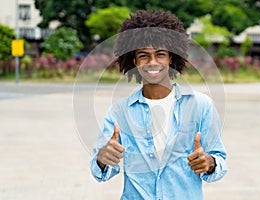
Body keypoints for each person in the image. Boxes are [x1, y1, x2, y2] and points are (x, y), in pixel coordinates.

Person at [90, 10, 227, 199]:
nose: (152, 62)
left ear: (171, 58)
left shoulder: (201, 105)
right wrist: (102, 159)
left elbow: (219, 161)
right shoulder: (119, 113)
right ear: (134, 61)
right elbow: (99, 171)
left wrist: (209, 162)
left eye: (160, 54)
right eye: (143, 55)